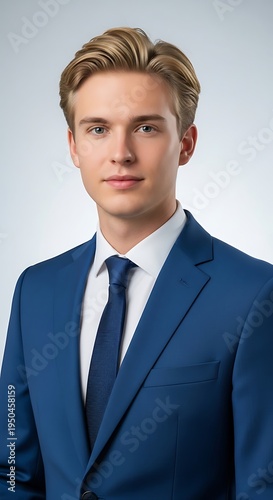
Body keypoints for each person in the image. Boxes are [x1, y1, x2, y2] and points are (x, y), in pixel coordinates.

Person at [0, 27, 273, 500]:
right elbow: (11, 471)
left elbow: (262, 486)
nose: (121, 153)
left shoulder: (252, 295)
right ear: (73, 146)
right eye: (98, 129)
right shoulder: (35, 291)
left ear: (186, 144)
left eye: (146, 127)